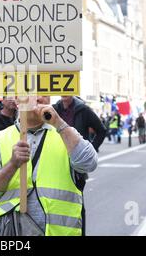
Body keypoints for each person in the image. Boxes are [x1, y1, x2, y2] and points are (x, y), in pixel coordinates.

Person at [0, 96, 98, 236]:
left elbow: (89, 163)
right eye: (32, 91)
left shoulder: (65, 133)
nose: (39, 97)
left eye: (44, 92)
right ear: (17, 101)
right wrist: (12, 165)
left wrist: (58, 123)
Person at [52, 95, 105, 236]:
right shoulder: (54, 109)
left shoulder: (83, 110)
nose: (64, 93)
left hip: (77, 167)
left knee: (77, 204)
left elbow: (101, 130)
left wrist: (90, 149)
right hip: (56, 163)